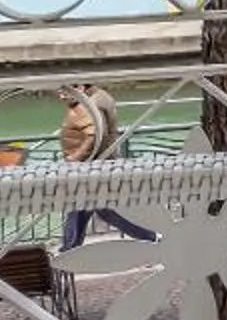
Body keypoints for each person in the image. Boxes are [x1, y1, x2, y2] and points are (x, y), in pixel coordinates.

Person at [55, 83, 157, 252]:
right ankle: (70, 248)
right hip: (96, 165)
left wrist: (76, 158)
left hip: (93, 166)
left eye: (66, 91)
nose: (62, 97)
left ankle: (151, 237)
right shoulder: (99, 98)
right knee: (87, 208)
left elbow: (95, 136)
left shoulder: (91, 104)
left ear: (80, 87)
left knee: (100, 209)